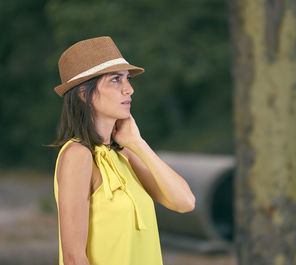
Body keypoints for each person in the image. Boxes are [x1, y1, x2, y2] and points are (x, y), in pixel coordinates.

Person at [51, 36, 196, 265]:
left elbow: (185, 202)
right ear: (83, 93)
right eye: (116, 80)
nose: (129, 90)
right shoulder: (78, 155)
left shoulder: (125, 154)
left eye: (127, 79)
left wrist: (138, 143)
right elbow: (73, 257)